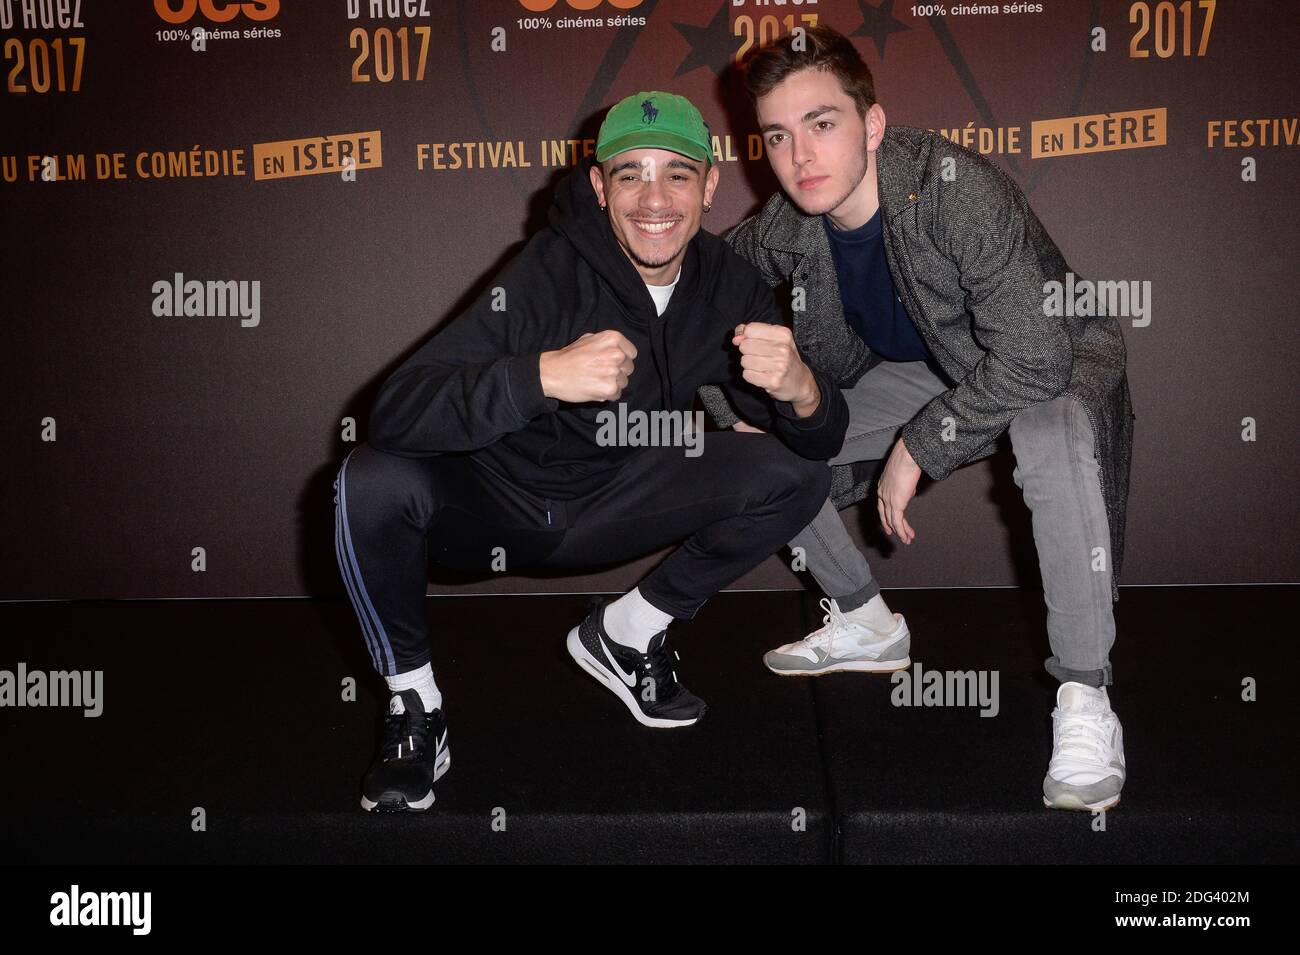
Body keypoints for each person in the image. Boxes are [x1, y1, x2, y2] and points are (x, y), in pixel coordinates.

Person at [333, 90, 849, 811]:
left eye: (676, 172)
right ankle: (413, 707)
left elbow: (819, 439)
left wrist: (801, 389)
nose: (654, 198)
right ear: (599, 186)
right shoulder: (547, 270)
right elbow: (393, 410)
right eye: (630, 174)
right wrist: (539, 376)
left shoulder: (728, 284)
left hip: (618, 499)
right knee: (372, 479)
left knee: (797, 471)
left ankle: (629, 631)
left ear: (709, 184)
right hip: (499, 507)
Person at [699, 26, 1134, 812]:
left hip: (1048, 352)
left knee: (1048, 437)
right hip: (929, 365)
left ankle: (1085, 696)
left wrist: (918, 445)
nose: (800, 157)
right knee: (767, 452)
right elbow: (704, 280)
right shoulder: (792, 220)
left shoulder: (951, 187)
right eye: (778, 136)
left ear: (871, 125)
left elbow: (1033, 358)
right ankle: (865, 619)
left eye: (822, 124)